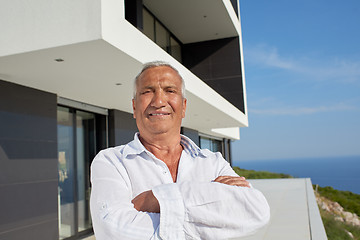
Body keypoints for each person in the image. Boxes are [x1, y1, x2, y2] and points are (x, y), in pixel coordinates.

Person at [90, 61, 270, 240]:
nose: (159, 101)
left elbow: (256, 211)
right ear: (134, 107)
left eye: (170, 91)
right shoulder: (111, 162)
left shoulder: (213, 161)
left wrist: (156, 198)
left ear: (183, 106)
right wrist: (209, 199)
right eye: (147, 91)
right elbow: (114, 232)